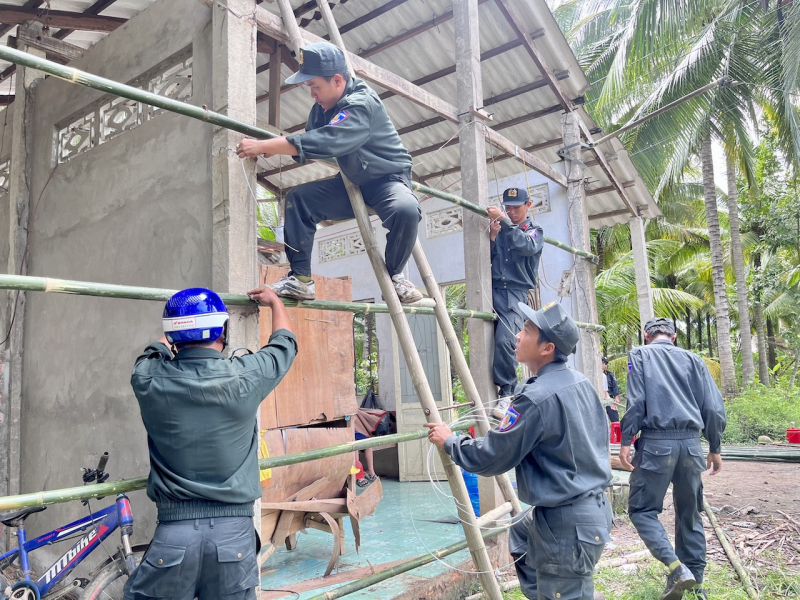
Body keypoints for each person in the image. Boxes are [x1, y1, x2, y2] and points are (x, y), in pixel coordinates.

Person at [426, 303, 612, 600]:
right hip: (594, 510)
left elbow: (492, 457)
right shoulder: (582, 383)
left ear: (547, 348)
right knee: (522, 532)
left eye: (526, 331)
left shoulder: (536, 397)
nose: (516, 336)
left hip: (568, 523)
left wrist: (451, 441)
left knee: (566, 590)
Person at [124, 285, 297, 600]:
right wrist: (274, 302)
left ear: (173, 335)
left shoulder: (148, 379)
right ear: (223, 330)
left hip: (174, 536)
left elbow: (155, 351)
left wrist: (174, 330)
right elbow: (285, 344)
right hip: (235, 537)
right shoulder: (247, 376)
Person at [236, 42, 422, 304]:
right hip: (351, 181)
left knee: (406, 209)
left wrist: (269, 145)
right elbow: (314, 144)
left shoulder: (361, 103)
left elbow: (330, 140)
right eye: (310, 88)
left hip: (386, 181)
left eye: (315, 87)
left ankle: (395, 277)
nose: (312, 94)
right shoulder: (321, 109)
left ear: (337, 80)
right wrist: (278, 147)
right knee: (300, 199)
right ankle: (300, 281)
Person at [618, 317, 726, 600]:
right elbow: (713, 407)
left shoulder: (640, 355)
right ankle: (697, 585)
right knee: (690, 514)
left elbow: (636, 401)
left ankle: (677, 568)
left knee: (642, 511)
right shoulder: (694, 360)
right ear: (674, 337)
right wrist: (715, 446)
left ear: (646, 336)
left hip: (656, 444)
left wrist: (626, 440)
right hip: (691, 446)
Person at [488, 188, 544, 419]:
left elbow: (527, 247)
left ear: (528, 205)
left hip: (515, 293)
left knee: (506, 340)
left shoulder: (534, 231)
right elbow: (488, 258)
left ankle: (507, 391)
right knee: (487, 340)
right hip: (492, 291)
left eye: (516, 207)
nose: (510, 211)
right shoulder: (501, 229)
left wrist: (503, 222)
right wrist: (492, 237)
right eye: (507, 207)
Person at [602, 356, 620, 423]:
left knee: (615, 419)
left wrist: (616, 397)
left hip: (610, 399)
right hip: (603, 399)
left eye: (605, 363)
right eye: (603, 363)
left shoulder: (609, 374)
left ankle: (617, 432)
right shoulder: (598, 375)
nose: (604, 365)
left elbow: (615, 386)